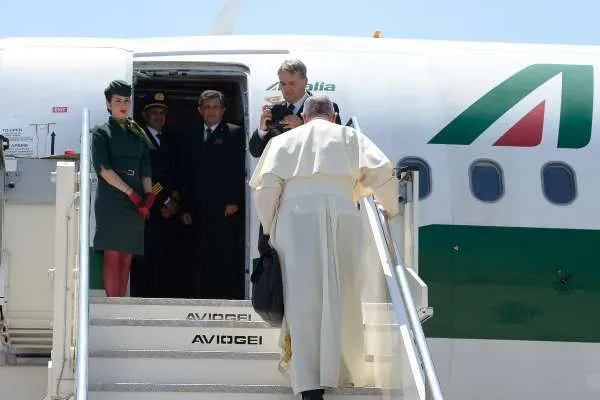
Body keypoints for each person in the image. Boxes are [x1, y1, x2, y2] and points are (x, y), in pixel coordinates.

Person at [249, 95, 399, 400]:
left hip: (296, 218)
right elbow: (383, 173)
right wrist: (390, 209)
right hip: (345, 213)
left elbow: (266, 189)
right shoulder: (350, 137)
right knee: (341, 293)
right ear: (332, 117)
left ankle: (307, 383)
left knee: (302, 299)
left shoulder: (286, 140)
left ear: (304, 117)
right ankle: (339, 370)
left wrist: (269, 228)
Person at [249, 59, 342, 256]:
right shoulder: (274, 111)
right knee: (269, 249)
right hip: (277, 193)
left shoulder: (324, 108)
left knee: (303, 251)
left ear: (305, 81)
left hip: (307, 192)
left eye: (292, 83)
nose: (287, 89)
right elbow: (256, 151)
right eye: (283, 84)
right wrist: (262, 129)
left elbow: (334, 148)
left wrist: (302, 127)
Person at [179, 89, 246, 299]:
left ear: (223, 110)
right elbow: (185, 173)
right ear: (200, 110)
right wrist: (186, 207)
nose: (211, 112)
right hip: (198, 208)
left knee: (225, 255)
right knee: (198, 256)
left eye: (216, 107)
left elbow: (237, 169)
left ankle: (228, 299)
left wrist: (234, 200)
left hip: (224, 207)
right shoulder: (191, 135)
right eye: (207, 107)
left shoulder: (234, 133)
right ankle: (199, 298)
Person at [91, 80, 153, 297]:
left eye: (126, 100)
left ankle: (120, 302)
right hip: (112, 197)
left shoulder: (138, 133)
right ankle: (111, 302)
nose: (123, 104)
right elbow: (103, 169)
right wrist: (131, 194)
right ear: (108, 104)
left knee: (127, 253)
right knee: (113, 252)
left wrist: (148, 198)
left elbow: (146, 170)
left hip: (136, 197)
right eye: (117, 100)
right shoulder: (101, 133)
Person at [130, 91, 182, 298]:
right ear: (145, 115)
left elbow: (178, 174)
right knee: (146, 261)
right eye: (154, 112)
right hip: (150, 209)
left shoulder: (171, 141)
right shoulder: (139, 140)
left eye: (162, 112)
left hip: (170, 211)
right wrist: (165, 199)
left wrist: (176, 201)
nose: (159, 116)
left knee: (166, 259)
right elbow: (145, 175)